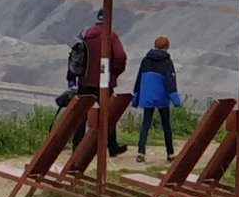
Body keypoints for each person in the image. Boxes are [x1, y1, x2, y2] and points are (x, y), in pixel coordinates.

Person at [68, 8, 129, 156]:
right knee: (108, 113)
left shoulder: (85, 34)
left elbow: (75, 55)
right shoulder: (111, 36)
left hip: (84, 80)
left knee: (81, 114)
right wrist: (114, 73)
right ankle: (112, 145)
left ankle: (77, 148)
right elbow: (120, 57)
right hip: (104, 82)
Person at [131, 35, 182, 162]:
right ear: (167, 47)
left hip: (147, 96)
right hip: (162, 97)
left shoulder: (145, 60)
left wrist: (136, 97)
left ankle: (141, 152)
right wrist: (175, 100)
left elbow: (139, 79)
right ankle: (170, 153)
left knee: (146, 124)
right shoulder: (167, 62)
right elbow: (170, 82)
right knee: (166, 125)